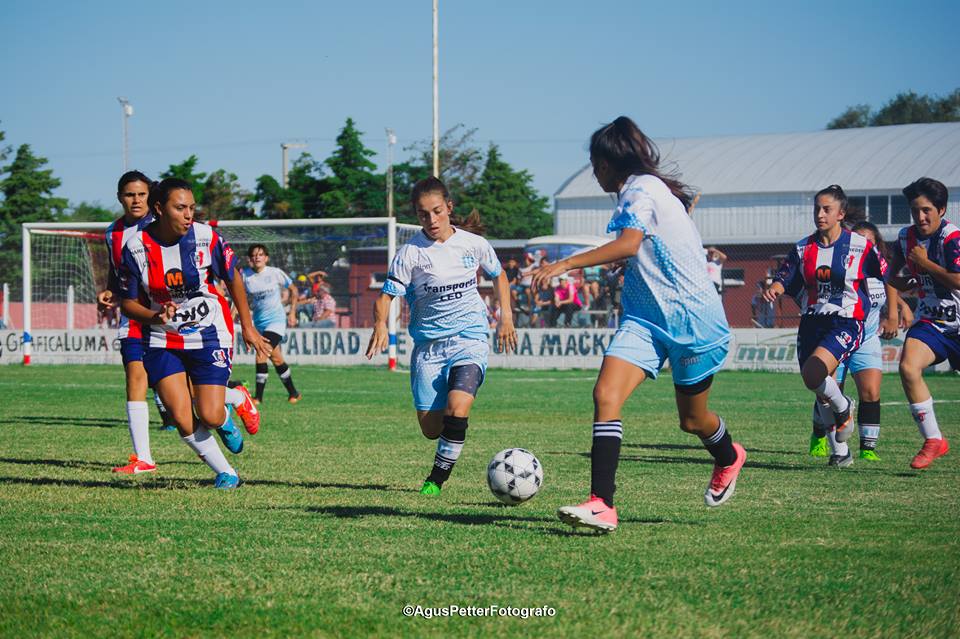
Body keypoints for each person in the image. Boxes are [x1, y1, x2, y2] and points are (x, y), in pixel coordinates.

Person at [533, 116, 745, 532]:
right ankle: (602, 504)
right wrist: (622, 265)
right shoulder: (636, 193)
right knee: (605, 394)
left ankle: (728, 456)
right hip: (645, 321)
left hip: (692, 321)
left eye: (595, 163)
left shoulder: (642, 189)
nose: (594, 172)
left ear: (611, 163)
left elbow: (630, 242)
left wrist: (567, 263)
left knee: (692, 421)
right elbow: (641, 248)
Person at [365, 176, 517, 495]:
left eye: (436, 211)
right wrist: (380, 323)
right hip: (428, 348)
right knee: (431, 429)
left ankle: (435, 480)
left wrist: (506, 317)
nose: (431, 220)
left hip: (469, 339)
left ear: (449, 207)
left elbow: (499, 275)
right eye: (423, 214)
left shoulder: (472, 244)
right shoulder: (410, 253)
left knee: (458, 408)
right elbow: (386, 296)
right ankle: (443, 450)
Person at [118, 178, 272, 489]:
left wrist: (249, 326)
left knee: (210, 415)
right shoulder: (135, 248)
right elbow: (127, 303)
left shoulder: (207, 238)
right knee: (180, 415)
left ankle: (234, 401)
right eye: (180, 208)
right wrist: (154, 315)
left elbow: (233, 279)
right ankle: (226, 473)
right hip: (162, 338)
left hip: (209, 333)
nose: (189, 215)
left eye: (191, 207)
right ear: (159, 209)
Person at [765, 185, 895, 468]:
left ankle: (844, 408)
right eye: (817, 209)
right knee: (816, 384)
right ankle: (841, 451)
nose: (820, 214)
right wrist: (776, 286)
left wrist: (898, 306)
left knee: (818, 373)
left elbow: (888, 275)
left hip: (847, 320)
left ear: (841, 214)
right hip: (812, 320)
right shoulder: (803, 247)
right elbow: (785, 275)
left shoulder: (860, 246)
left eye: (827, 209)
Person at [808, 221, 912, 462]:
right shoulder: (842, 272)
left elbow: (889, 292)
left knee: (871, 391)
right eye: (860, 241)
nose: (864, 246)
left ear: (876, 246)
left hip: (866, 339)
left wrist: (900, 309)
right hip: (839, 337)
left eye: (870, 242)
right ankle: (820, 436)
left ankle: (867, 448)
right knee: (830, 393)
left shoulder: (880, 272)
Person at [97, 171, 171, 473]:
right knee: (135, 378)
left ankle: (233, 396)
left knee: (180, 390)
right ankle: (144, 458)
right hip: (132, 316)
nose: (136, 200)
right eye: (130, 194)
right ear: (120, 197)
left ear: (149, 197)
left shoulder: (159, 227)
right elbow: (118, 273)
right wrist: (109, 292)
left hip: (166, 317)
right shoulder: (111, 233)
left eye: (141, 194)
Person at [884, 177, 959, 469]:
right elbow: (892, 276)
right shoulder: (906, 238)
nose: (920, 217)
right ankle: (933, 439)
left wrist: (926, 265)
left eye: (927, 210)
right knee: (907, 367)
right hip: (933, 321)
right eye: (915, 210)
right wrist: (897, 302)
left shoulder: (952, 238)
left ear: (941, 209)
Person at [241, 244, 302, 404]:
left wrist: (293, 311)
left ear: (266, 258)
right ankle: (294, 393)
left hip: (276, 321)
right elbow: (239, 298)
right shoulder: (245, 276)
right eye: (254, 255)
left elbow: (294, 289)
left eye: (261, 254)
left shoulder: (275, 273)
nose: (257, 257)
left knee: (261, 353)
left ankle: (258, 398)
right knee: (276, 359)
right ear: (250, 259)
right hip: (259, 323)